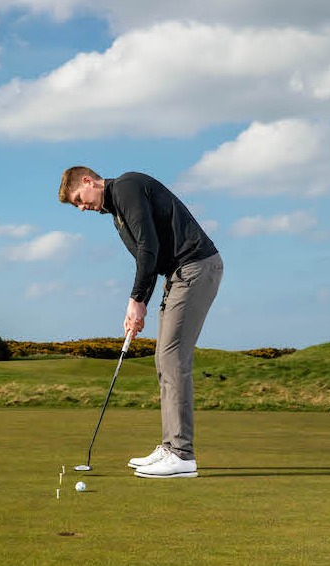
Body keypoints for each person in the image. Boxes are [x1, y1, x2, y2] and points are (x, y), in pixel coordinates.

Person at [58, 167, 222, 478]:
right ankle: (170, 446)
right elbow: (147, 258)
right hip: (178, 275)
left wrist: (137, 301)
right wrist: (138, 306)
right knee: (163, 359)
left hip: (196, 268)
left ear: (88, 181)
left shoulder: (126, 188)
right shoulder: (117, 211)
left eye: (79, 199)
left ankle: (182, 455)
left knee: (173, 358)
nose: (81, 207)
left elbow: (149, 248)